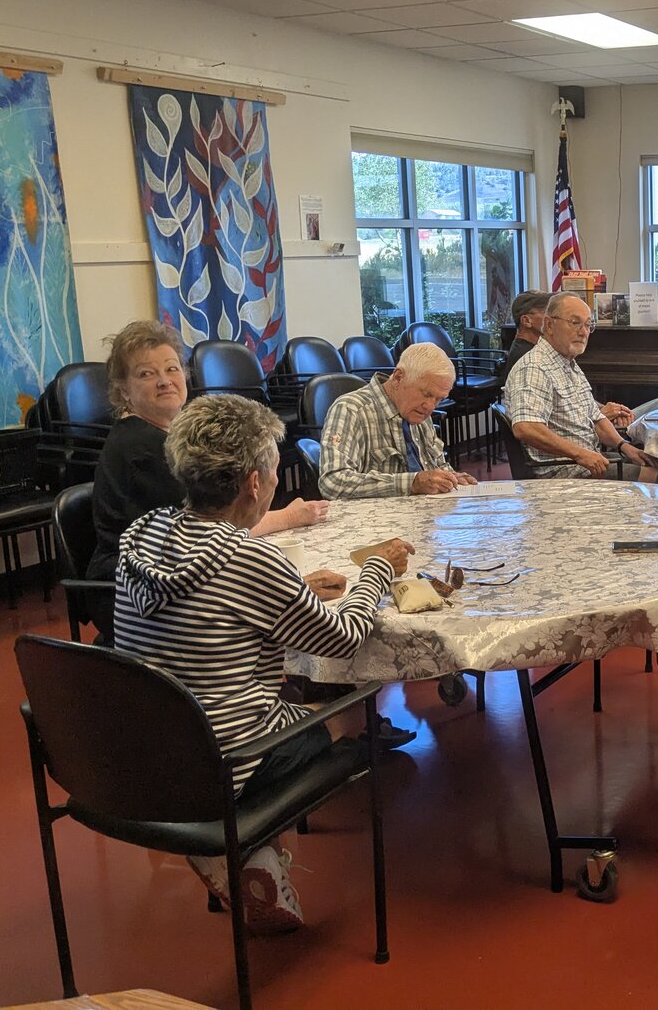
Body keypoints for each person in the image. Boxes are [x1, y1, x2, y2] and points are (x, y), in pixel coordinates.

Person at [113, 393, 416, 934]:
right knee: (337, 716)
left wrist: (293, 589)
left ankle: (247, 855)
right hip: (224, 760)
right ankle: (247, 849)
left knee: (279, 692)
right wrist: (376, 571)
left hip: (141, 751)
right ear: (255, 482)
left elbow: (208, 606)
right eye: (275, 470)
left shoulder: (143, 534)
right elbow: (343, 638)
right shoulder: (250, 559)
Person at [87, 320, 327, 643]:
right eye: (146, 374)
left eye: (171, 369)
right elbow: (207, 532)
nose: (164, 381)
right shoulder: (139, 448)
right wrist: (289, 517)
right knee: (301, 606)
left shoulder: (165, 436)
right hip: (138, 601)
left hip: (165, 580)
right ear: (123, 390)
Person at [503, 292, 658, 481]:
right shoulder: (534, 367)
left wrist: (623, 446)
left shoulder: (567, 363)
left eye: (588, 325)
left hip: (590, 460)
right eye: (575, 322)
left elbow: (596, 417)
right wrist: (579, 454)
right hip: (566, 472)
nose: (584, 332)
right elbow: (526, 427)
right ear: (550, 325)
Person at [319, 341, 478, 499]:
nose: (430, 406)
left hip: (424, 515)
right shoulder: (351, 410)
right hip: (379, 520)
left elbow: (435, 465)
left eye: (439, 399)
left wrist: (451, 477)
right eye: (426, 394)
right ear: (398, 377)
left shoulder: (419, 410)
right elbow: (332, 482)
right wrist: (412, 483)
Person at [498, 289, 550, 387]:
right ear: (526, 321)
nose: (551, 318)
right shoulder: (527, 359)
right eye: (545, 312)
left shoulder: (531, 349)